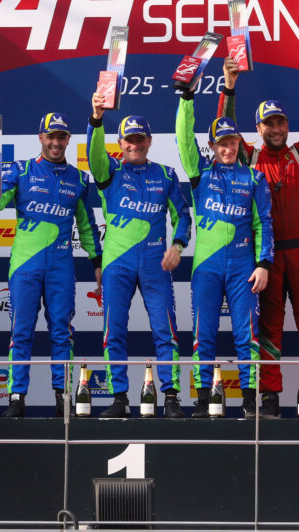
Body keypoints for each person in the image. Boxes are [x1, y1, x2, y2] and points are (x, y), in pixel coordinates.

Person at [217, 39, 299, 419]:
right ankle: (269, 398)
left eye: (280, 122)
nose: (275, 128)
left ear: (287, 125)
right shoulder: (249, 157)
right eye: (268, 123)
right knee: (268, 330)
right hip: (266, 260)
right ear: (258, 128)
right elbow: (225, 128)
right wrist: (229, 87)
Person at [0, 113, 102, 417]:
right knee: (21, 331)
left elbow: (86, 225)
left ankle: (63, 396)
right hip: (25, 266)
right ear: (41, 137)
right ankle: (16, 397)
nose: (56, 142)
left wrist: (96, 261)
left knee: (62, 331)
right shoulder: (20, 170)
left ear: (68, 139)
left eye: (61, 136)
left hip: (61, 267)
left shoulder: (79, 179)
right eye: (51, 136)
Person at [87, 96, 192, 418]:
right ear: (120, 143)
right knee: (114, 330)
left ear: (149, 141)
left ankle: (171, 397)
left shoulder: (166, 175)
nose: (135, 145)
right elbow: (93, 154)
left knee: (165, 329)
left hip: (155, 263)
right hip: (116, 263)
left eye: (140, 139)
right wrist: (96, 119)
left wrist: (178, 245)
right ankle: (119, 398)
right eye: (129, 140)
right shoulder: (109, 171)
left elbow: (183, 216)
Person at [176, 87, 274, 418]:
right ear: (212, 146)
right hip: (207, 266)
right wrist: (186, 100)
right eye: (222, 144)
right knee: (203, 333)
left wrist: (263, 263)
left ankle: (249, 400)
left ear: (239, 144)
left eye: (232, 142)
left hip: (244, 267)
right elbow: (183, 139)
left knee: (247, 334)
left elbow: (263, 223)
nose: (228, 149)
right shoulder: (200, 174)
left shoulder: (254, 178)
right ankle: (204, 399)